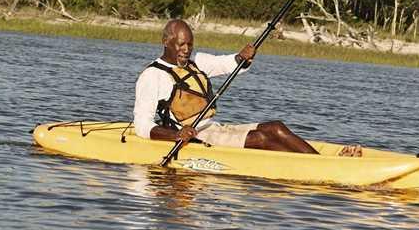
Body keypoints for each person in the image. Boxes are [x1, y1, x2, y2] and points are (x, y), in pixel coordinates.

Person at [133, 18, 356, 155]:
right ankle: (319, 166)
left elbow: (227, 63)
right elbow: (142, 124)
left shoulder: (197, 62)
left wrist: (242, 57)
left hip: (214, 129)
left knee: (275, 127)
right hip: (194, 137)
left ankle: (320, 161)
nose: (186, 50)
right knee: (262, 139)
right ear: (166, 42)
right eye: (181, 44)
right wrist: (176, 134)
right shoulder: (153, 76)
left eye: (189, 44)